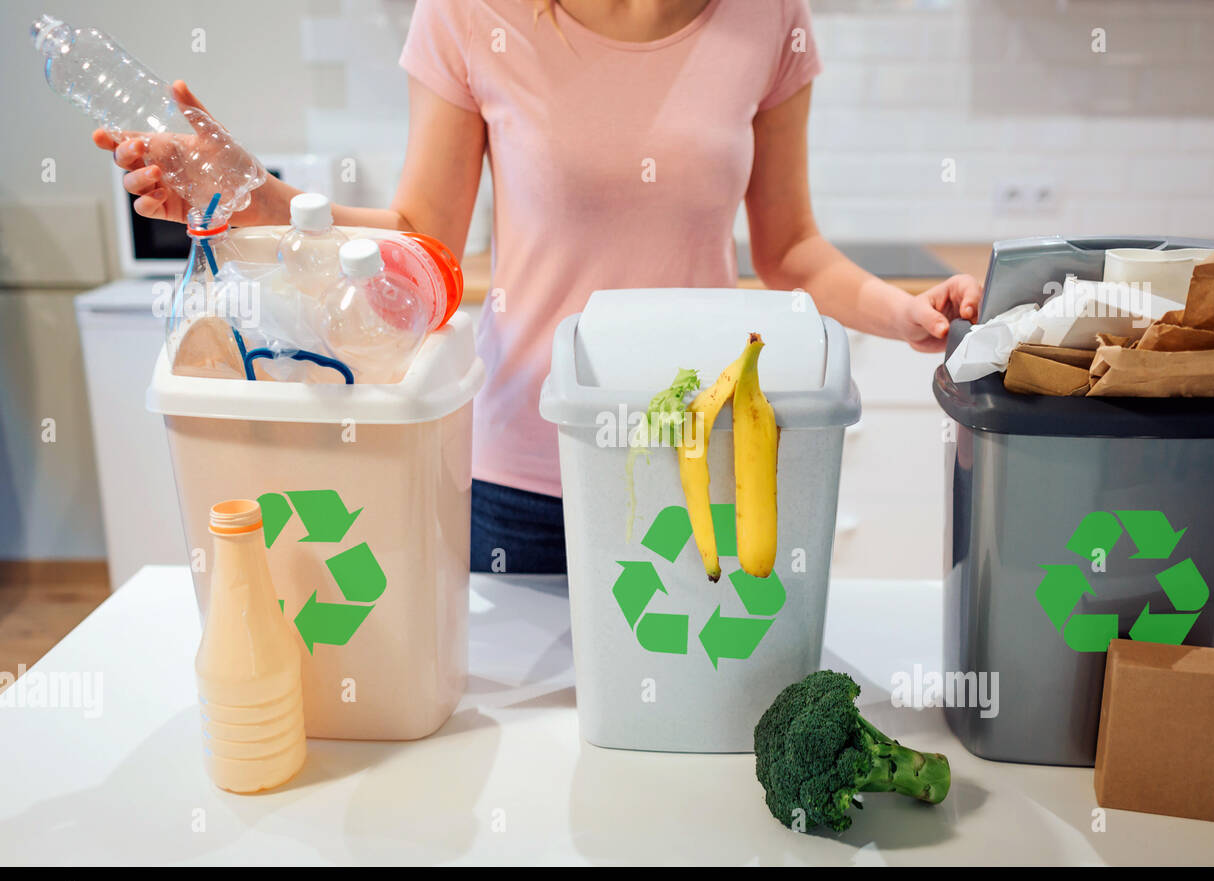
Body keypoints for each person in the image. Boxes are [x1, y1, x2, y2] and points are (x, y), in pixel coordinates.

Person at [96, 0, 982, 573]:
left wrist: (899, 312)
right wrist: (255, 197)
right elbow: (422, 237)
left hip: (693, 453)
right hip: (523, 471)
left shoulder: (767, 19)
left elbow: (792, 251)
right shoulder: (470, 14)